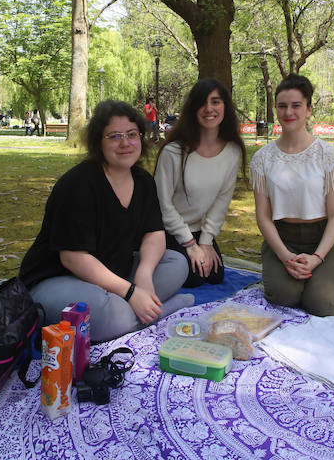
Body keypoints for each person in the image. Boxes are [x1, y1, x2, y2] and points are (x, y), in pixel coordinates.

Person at [19, 100, 192, 343]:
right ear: (98, 142)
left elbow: (154, 233)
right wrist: (131, 292)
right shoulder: (78, 185)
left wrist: (143, 275)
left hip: (112, 276)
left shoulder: (143, 181)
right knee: (113, 316)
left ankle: (136, 306)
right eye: (114, 136)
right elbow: (72, 258)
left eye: (132, 134)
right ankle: (161, 309)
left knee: (177, 262)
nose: (125, 143)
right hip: (57, 279)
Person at [250, 74, 334, 317]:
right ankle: (304, 279)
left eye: (296, 105)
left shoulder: (330, 157)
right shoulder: (262, 159)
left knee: (322, 304)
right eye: (282, 106)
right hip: (282, 239)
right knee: (283, 297)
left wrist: (317, 257)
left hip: (321, 239)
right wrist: (285, 256)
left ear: (308, 109)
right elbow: (263, 217)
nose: (289, 112)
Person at [154, 79, 246, 288]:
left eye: (215, 102)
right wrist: (190, 245)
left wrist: (205, 242)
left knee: (215, 275)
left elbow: (221, 201)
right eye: (202, 103)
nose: (209, 109)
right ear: (193, 109)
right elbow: (163, 206)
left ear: (225, 107)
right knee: (194, 277)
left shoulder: (232, 152)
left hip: (199, 230)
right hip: (168, 230)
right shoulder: (174, 152)